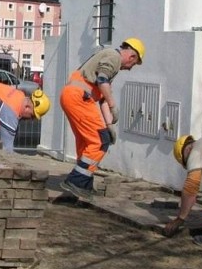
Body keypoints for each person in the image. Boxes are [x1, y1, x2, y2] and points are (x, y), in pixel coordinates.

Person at [59, 38, 145, 200]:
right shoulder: (113, 57)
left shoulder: (108, 57)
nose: (130, 68)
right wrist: (113, 106)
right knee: (100, 142)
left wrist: (109, 124)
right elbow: (102, 81)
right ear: (132, 57)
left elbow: (102, 97)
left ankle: (84, 186)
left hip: (73, 96)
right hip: (80, 98)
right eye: (133, 64)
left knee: (87, 142)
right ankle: (76, 181)